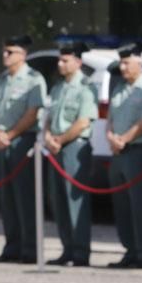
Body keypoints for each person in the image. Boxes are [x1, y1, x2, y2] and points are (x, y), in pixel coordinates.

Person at [0, 34, 46, 263]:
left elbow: (32, 113)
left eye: (10, 52)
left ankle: (30, 249)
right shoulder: (2, 79)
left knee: (24, 198)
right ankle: (12, 246)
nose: (5, 55)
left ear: (22, 54)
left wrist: (9, 135)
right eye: (4, 51)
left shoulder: (34, 79)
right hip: (2, 142)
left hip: (22, 141)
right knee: (7, 198)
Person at [43, 41, 97, 266]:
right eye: (60, 59)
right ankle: (67, 247)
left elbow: (83, 121)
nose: (60, 63)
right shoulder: (57, 87)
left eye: (65, 60)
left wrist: (60, 140)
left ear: (78, 62)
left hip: (74, 147)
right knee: (59, 200)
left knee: (76, 201)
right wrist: (48, 137)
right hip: (55, 148)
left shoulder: (86, 87)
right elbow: (47, 118)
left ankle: (81, 251)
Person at [106, 43, 142, 269]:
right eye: (121, 63)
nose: (123, 67)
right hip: (118, 153)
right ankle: (130, 249)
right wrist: (111, 137)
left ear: (139, 63)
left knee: (138, 205)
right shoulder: (119, 88)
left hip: (137, 150)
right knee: (121, 205)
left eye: (127, 63)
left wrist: (123, 139)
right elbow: (109, 118)